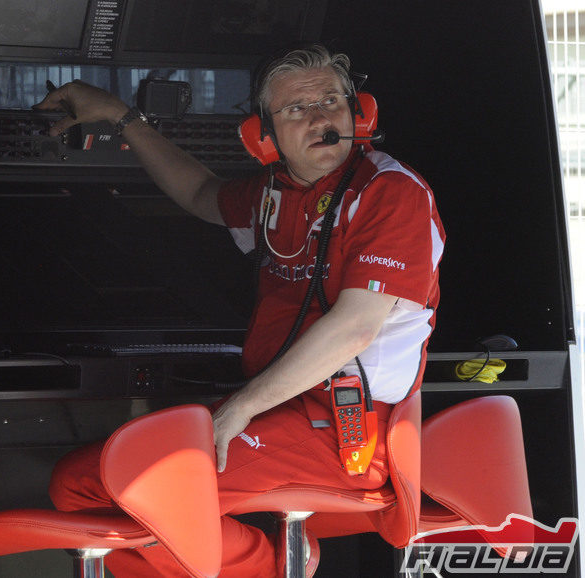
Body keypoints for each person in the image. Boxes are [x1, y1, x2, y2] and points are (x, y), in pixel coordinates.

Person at [37, 45, 444, 577]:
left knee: (114, 487)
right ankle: (264, 564)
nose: (322, 118)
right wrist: (122, 117)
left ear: (359, 113)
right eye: (298, 108)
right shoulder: (275, 193)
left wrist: (240, 408)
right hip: (284, 413)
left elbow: (354, 329)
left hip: (346, 432)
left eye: (331, 101)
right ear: (262, 137)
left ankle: (269, 568)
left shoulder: (390, 193)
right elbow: (202, 192)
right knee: (75, 484)